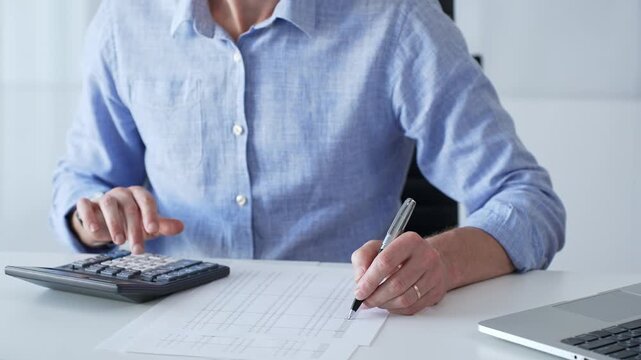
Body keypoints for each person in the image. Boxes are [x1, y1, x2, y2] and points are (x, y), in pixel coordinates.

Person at [51, 0, 566, 315]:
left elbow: (528, 200)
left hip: (341, 334)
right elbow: (84, 181)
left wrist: (441, 263)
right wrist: (93, 219)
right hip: (163, 330)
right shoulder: (124, 21)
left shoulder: (397, 20)